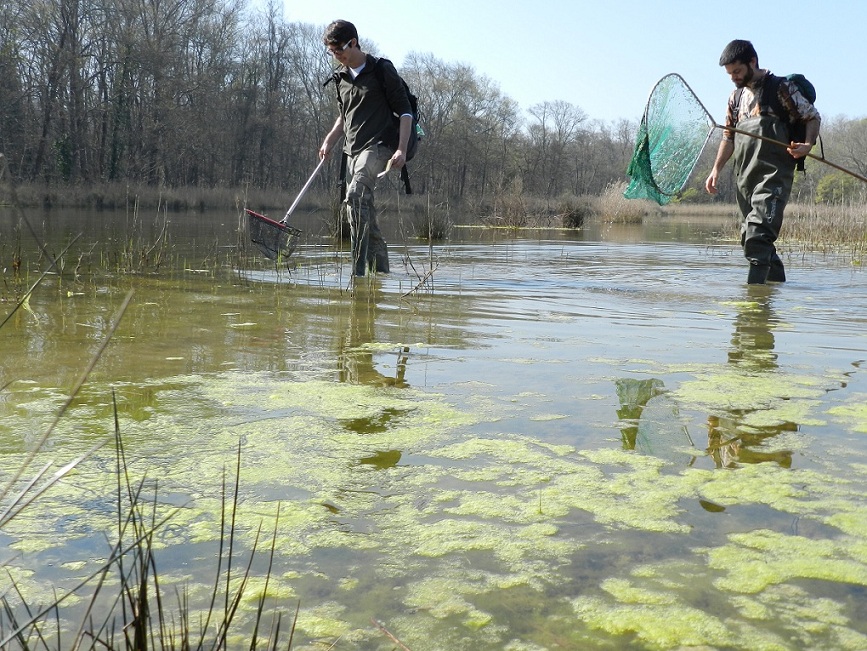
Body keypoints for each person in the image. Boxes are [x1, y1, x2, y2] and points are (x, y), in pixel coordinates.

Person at [705, 39, 820, 284]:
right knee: (750, 238)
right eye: (729, 73)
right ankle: (775, 290)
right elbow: (729, 137)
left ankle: (753, 307)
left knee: (757, 238)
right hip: (745, 179)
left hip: (774, 177)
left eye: (737, 71)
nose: (733, 77)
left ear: (752, 62)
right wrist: (716, 169)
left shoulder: (781, 88)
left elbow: (812, 117)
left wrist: (807, 145)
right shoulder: (735, 99)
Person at [319, 19, 413, 277]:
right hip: (352, 152)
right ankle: (381, 273)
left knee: (356, 195)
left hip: (380, 147)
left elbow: (405, 112)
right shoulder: (340, 79)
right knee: (361, 212)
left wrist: (401, 150)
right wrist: (330, 140)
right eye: (332, 52)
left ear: (353, 42)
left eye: (339, 50)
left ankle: (357, 273)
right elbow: (344, 117)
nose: (336, 56)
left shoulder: (381, 69)